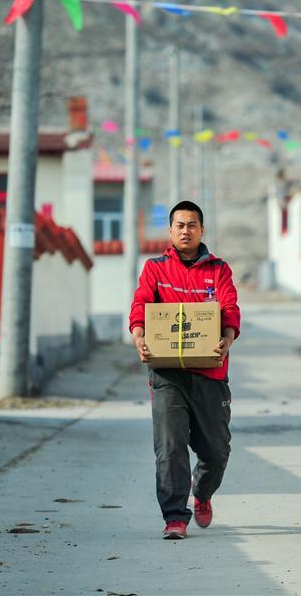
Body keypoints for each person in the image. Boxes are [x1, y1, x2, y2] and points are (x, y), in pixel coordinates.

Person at [128, 201, 241, 540]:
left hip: (209, 374)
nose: (186, 231)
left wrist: (227, 338)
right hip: (167, 375)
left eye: (192, 225)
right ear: (170, 231)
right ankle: (175, 517)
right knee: (170, 447)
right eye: (179, 225)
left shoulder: (218, 270)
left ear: (202, 230)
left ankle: (202, 492)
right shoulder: (156, 269)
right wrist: (139, 335)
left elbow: (229, 308)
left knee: (216, 452)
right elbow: (140, 304)